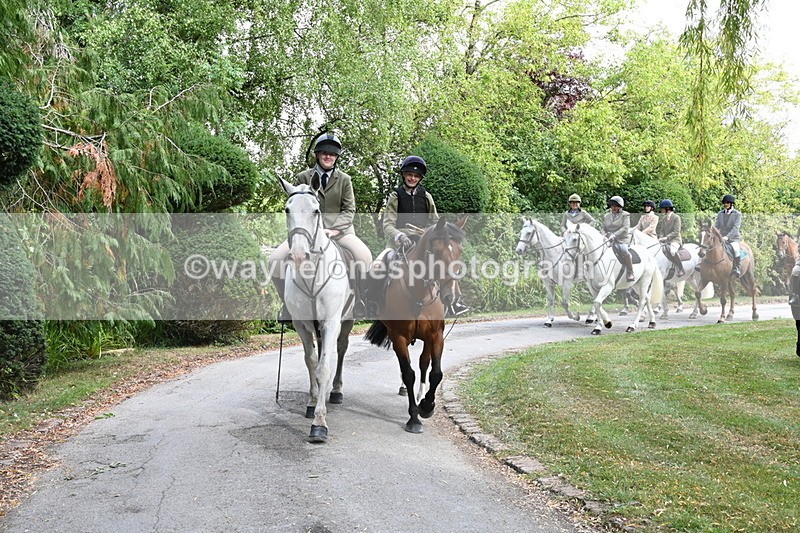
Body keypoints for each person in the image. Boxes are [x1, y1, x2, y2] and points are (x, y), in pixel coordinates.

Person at [269, 133, 373, 322]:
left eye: (332, 154)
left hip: (340, 232)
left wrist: (334, 230)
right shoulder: (303, 177)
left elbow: (349, 210)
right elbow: (297, 206)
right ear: (317, 154)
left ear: (336, 157)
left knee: (364, 256)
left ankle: (360, 301)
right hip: (307, 233)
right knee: (275, 260)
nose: (328, 156)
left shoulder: (344, 180)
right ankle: (288, 305)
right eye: (324, 153)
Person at [372, 155, 468, 317]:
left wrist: (436, 232)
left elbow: (436, 221)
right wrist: (400, 236)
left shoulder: (426, 196)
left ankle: (453, 301)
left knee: (446, 262)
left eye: (416, 176)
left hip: (425, 241)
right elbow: (387, 224)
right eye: (409, 174)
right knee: (376, 266)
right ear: (404, 175)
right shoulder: (395, 196)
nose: (412, 178)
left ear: (420, 178)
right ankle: (374, 304)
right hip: (399, 243)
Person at [603, 196, 635, 281]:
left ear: (620, 206)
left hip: (621, 239)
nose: (613, 207)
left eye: (616, 206)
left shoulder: (625, 215)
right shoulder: (606, 216)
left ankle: (630, 272)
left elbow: (625, 228)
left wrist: (614, 235)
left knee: (624, 250)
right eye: (612, 205)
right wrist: (604, 234)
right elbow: (604, 228)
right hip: (608, 238)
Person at [715, 193, 743, 277]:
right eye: (724, 203)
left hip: (733, 238)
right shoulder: (720, 213)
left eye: (727, 203)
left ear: (731, 204)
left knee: (736, 249)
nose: (725, 204)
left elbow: (735, 228)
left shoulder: (737, 214)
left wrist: (727, 237)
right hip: (721, 237)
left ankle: (736, 268)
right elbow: (717, 226)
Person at [655, 199, 684, 277]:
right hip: (665, 241)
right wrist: (660, 237)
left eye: (662, 209)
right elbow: (661, 231)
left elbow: (676, 231)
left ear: (667, 208)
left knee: (672, 251)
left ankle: (680, 268)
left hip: (675, 240)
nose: (661, 210)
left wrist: (666, 238)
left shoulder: (676, 217)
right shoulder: (664, 219)